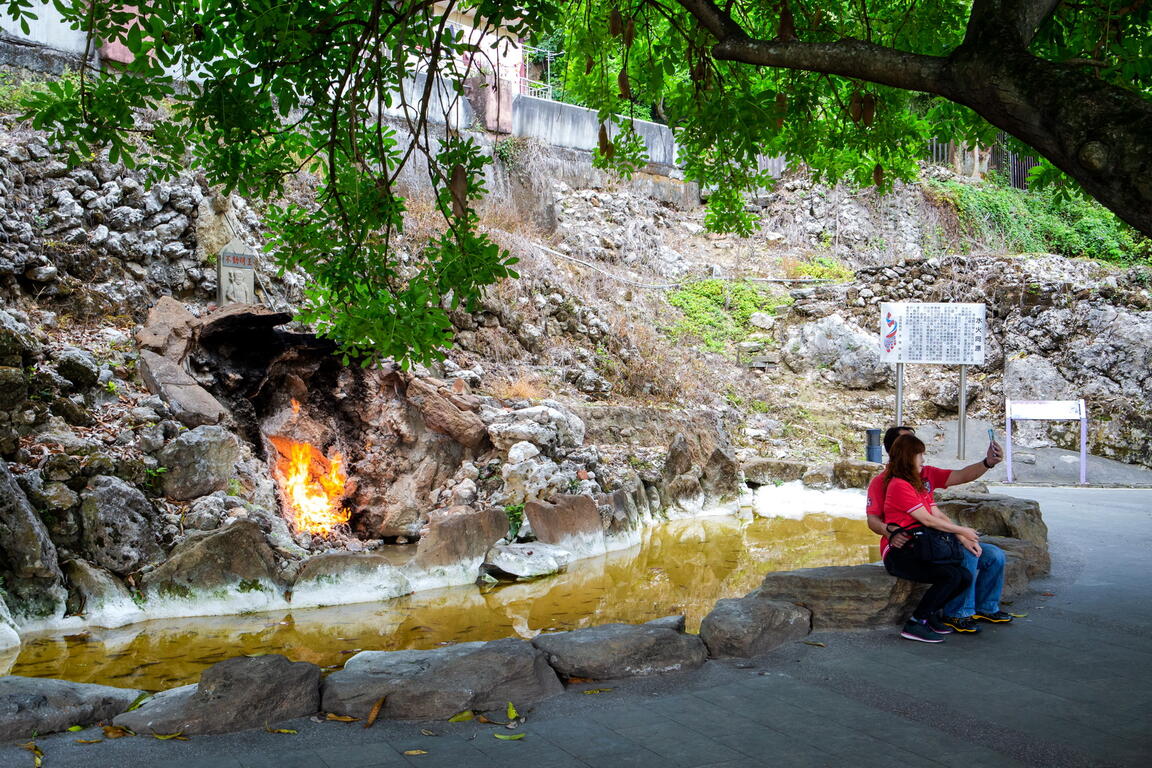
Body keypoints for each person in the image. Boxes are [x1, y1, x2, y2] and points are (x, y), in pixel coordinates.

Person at [866, 425, 1013, 634]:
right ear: (896, 450)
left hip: (932, 537)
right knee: (966, 558)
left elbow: (957, 480)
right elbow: (875, 520)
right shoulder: (887, 482)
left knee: (994, 555)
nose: (922, 456)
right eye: (912, 446)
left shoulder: (921, 475)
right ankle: (958, 613)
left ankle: (986, 607)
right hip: (909, 545)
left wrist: (988, 462)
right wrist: (890, 531)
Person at [878, 434, 977, 642]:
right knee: (950, 576)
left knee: (964, 576)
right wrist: (962, 531)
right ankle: (915, 623)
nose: (923, 459)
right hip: (900, 554)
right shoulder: (898, 485)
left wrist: (959, 533)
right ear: (908, 457)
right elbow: (927, 520)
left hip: (919, 548)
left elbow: (935, 513)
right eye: (919, 454)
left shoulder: (916, 483)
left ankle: (929, 615)